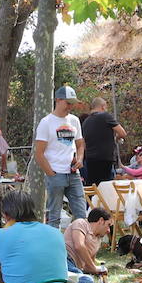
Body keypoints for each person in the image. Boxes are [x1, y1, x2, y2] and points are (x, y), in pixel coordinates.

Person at [35, 86, 87, 229]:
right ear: (58, 100)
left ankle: (79, 245)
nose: (70, 106)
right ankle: (53, 248)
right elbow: (39, 153)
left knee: (82, 214)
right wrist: (51, 173)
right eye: (68, 103)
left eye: (72, 103)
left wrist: (80, 159)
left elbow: (80, 144)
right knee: (54, 216)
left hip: (73, 173)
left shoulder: (74, 120)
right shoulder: (46, 122)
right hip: (56, 173)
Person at [81, 97, 126, 186]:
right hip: (105, 158)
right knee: (106, 186)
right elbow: (122, 133)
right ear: (103, 107)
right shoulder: (105, 116)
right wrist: (116, 138)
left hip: (90, 159)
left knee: (93, 186)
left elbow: (83, 143)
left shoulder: (85, 122)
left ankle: (92, 200)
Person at [64, 207, 111, 283]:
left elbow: (88, 266)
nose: (109, 230)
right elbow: (79, 246)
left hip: (75, 267)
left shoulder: (98, 240)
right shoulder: (81, 223)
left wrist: (99, 270)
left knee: (87, 281)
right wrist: (94, 267)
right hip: (65, 259)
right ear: (101, 221)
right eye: (108, 225)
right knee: (87, 281)